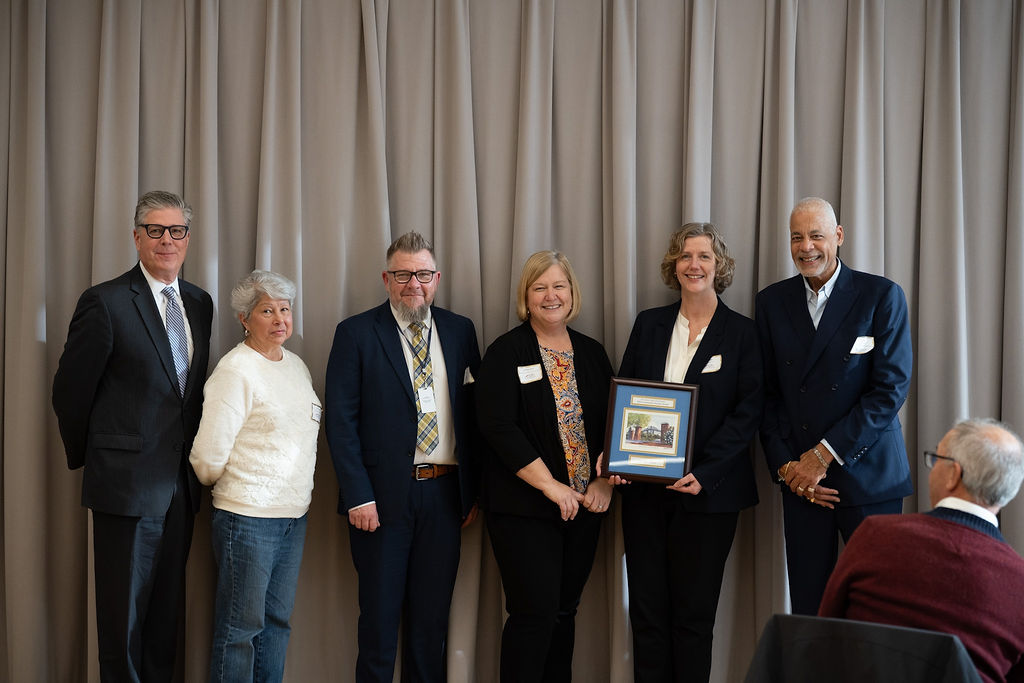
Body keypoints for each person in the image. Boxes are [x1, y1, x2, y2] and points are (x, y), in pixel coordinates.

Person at [52, 190, 213, 682]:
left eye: (177, 231)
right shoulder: (104, 302)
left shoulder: (200, 304)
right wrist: (101, 464)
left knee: (166, 625)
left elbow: (191, 397)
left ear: (188, 238)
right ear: (137, 236)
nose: (168, 240)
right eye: (156, 231)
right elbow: (69, 392)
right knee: (122, 630)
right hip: (124, 489)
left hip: (180, 491)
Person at [324, 232, 480, 683]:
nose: (414, 283)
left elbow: (473, 416)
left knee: (430, 629)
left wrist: (471, 492)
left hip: (445, 498)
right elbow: (341, 421)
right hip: (380, 501)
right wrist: (358, 496)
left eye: (423, 274)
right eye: (403, 274)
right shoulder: (355, 333)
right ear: (386, 278)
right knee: (378, 626)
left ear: (437, 278)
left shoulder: (459, 330)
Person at [614, 223, 763, 683]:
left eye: (703, 256)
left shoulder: (742, 333)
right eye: (684, 256)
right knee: (647, 615)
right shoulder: (649, 324)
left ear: (719, 267)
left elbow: (748, 411)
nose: (693, 265)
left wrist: (706, 471)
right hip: (644, 493)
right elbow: (627, 398)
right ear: (673, 267)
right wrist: (619, 458)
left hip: (708, 496)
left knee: (694, 620)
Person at [755, 196, 913, 615]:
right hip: (802, 484)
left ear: (838, 237)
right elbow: (767, 395)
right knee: (811, 609)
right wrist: (787, 467)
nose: (806, 247)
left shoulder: (881, 295)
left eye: (816, 235)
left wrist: (822, 455)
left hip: (869, 477)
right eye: (797, 237)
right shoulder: (771, 302)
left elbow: (889, 390)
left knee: (881, 609)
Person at [475, 250, 613, 682]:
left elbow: (616, 424)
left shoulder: (592, 354)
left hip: (585, 511)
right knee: (532, 616)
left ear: (572, 293)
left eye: (559, 286)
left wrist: (605, 482)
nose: (550, 296)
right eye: (540, 288)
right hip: (524, 510)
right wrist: (551, 487)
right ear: (526, 297)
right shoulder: (505, 352)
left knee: (564, 614)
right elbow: (497, 428)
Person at [819, 418, 1024, 683]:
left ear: (953, 475)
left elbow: (823, 638)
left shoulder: (875, 536)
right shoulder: (1019, 582)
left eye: (937, 458)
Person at [189, 270, 321, 683]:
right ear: (245, 319)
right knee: (240, 630)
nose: (280, 318)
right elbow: (208, 454)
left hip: (292, 516)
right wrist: (236, 490)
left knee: (276, 623)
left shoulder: (296, 366)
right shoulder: (236, 371)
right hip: (247, 518)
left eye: (285, 309)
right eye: (268, 310)